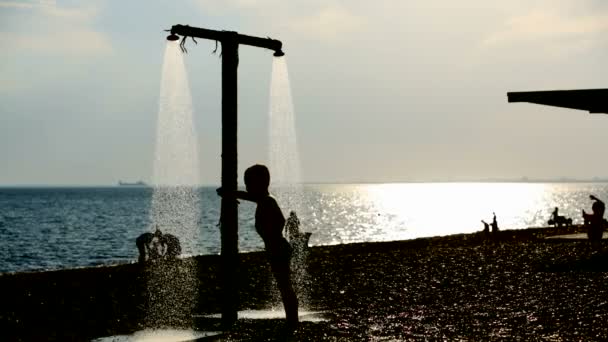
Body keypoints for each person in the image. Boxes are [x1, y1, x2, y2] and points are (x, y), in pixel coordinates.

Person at [217, 164, 299, 331]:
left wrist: (231, 194)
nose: (246, 187)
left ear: (260, 183)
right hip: (276, 249)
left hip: (278, 249)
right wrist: (230, 193)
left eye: (248, 183)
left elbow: (275, 220)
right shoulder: (266, 199)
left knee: (285, 287)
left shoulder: (268, 201)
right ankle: (292, 321)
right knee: (285, 286)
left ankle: (292, 323)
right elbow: (251, 197)